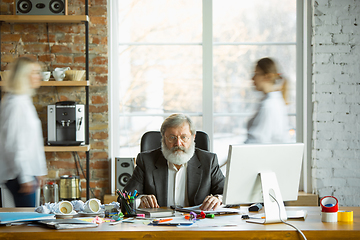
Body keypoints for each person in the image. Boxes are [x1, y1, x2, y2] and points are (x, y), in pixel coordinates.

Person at [124, 114, 225, 211]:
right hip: (158, 225)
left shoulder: (208, 161)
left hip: (196, 223)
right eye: (172, 137)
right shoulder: (146, 161)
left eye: (184, 137)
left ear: (193, 137)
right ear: (163, 138)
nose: (178, 143)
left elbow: (228, 195)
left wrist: (218, 199)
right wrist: (140, 200)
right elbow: (123, 198)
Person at [0, 57, 47, 207]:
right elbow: (14, 144)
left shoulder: (24, 100)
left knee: (29, 222)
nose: (39, 76)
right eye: (35, 72)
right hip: (19, 175)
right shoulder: (15, 104)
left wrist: (39, 170)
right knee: (26, 225)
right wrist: (26, 177)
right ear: (24, 75)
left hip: (26, 173)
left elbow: (33, 141)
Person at [245, 57, 290, 144]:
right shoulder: (274, 101)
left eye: (256, 74)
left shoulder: (269, 105)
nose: (252, 78)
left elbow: (255, 140)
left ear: (267, 76)